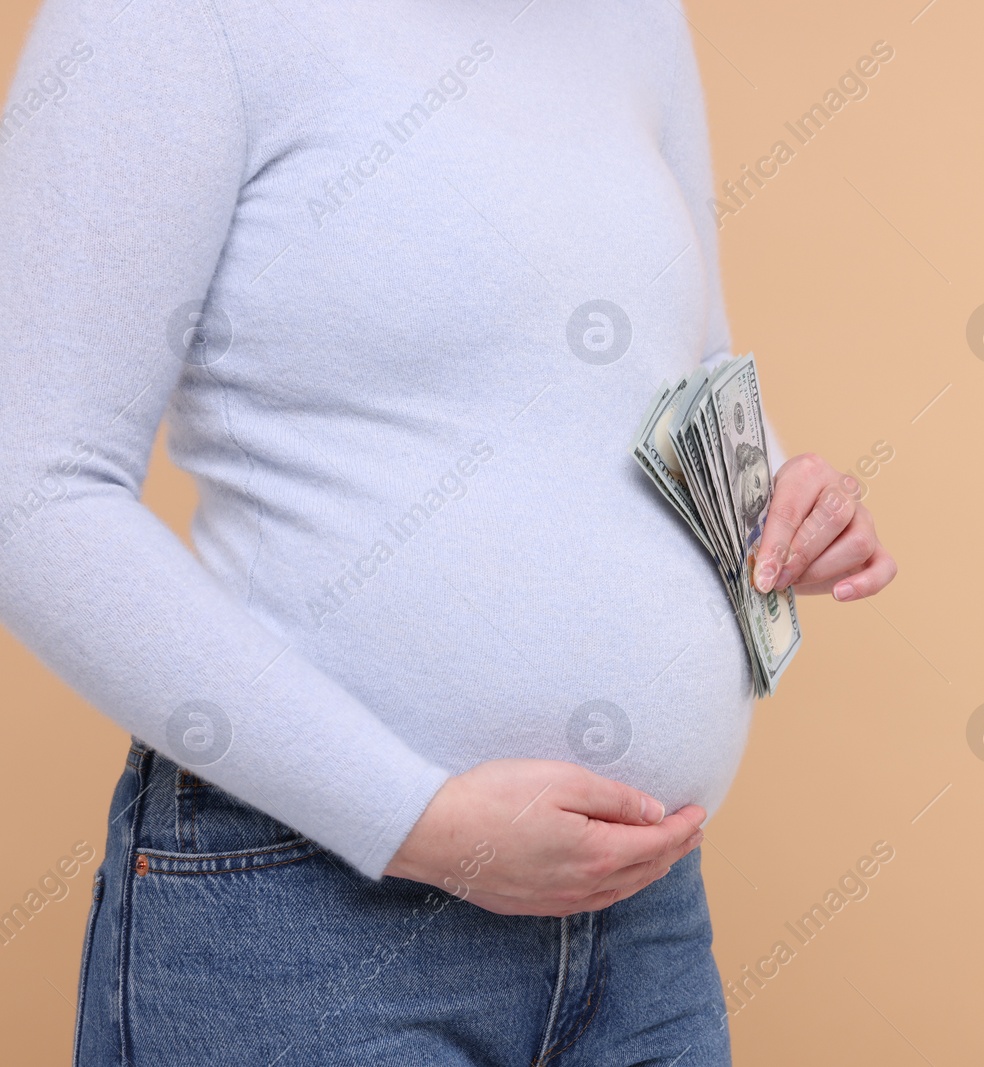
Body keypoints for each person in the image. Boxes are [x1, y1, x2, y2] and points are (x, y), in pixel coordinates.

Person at [0, 1, 895, 1064]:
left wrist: (787, 498)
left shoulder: (634, 18)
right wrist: (416, 821)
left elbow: (685, 379)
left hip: (641, 927)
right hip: (310, 914)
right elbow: (34, 495)